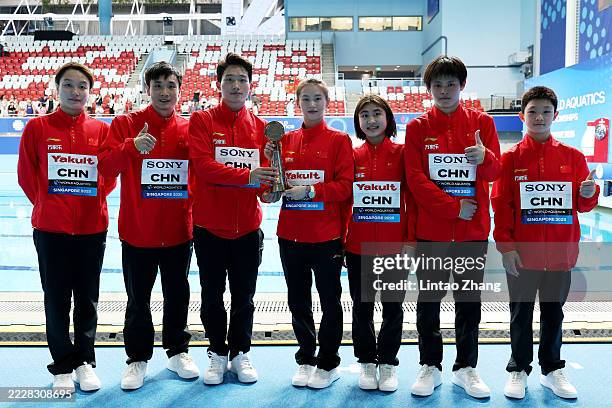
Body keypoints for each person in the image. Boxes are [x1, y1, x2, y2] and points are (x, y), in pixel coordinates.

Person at [492, 86, 599, 400]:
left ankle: (551, 369)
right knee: (520, 313)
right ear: (521, 116)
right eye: (532, 112)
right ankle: (518, 369)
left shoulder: (573, 158)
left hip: (560, 255)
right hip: (523, 256)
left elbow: (581, 206)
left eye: (545, 112)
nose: (539, 117)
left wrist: (588, 194)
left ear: (555, 115)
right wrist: (507, 248)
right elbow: (501, 205)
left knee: (554, 314)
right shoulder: (510, 159)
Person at [404, 55, 501, 398]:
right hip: (432, 232)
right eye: (437, 85)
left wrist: (484, 158)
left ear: (462, 86)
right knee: (429, 300)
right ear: (428, 89)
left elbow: (495, 174)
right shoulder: (417, 127)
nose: (444, 91)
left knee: (468, 302)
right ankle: (430, 365)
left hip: (472, 233)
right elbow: (415, 179)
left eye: (451, 84)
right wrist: (452, 208)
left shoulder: (483, 123)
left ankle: (466, 367)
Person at [98, 62, 198, 390]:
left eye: (171, 86)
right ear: (147, 90)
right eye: (158, 86)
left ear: (180, 91)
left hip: (178, 232)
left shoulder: (190, 128)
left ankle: (177, 350)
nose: (165, 93)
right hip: (138, 232)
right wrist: (131, 146)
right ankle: (137, 358)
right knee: (137, 299)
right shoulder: (127, 123)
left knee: (177, 294)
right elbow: (105, 168)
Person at [17, 62, 116, 392]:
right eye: (69, 85)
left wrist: (92, 200)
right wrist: (48, 205)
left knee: (87, 299)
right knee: (56, 298)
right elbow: (26, 175)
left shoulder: (101, 131)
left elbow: (110, 176)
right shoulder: (37, 128)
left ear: (90, 92)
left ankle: (85, 360)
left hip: (92, 228)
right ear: (56, 89)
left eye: (82, 86)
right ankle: (62, 364)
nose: (76, 92)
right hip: (52, 230)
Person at [189, 52, 276, 385]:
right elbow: (204, 168)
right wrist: (249, 177)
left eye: (242, 80)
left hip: (248, 230)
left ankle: (240, 352)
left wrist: (268, 189)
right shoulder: (203, 121)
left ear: (251, 87)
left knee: (244, 297)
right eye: (230, 80)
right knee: (211, 295)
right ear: (218, 85)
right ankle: (216, 352)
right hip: (210, 228)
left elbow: (264, 184)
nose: (236, 85)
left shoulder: (261, 129)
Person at [264, 78, 353, 389]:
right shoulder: (283, 142)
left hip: (326, 237)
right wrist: (269, 189)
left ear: (327, 103)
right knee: (298, 301)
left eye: (318, 99)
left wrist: (312, 191)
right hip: (290, 236)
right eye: (306, 99)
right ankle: (305, 357)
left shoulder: (340, 141)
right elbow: (271, 186)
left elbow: (345, 188)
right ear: (297, 103)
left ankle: (329, 362)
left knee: (330, 301)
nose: (312, 104)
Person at [344, 95, 416, 392]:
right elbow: (342, 201)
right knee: (361, 308)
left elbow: (412, 202)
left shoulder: (402, 154)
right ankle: (367, 362)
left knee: (392, 308)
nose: (371, 120)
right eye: (364, 116)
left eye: (377, 114)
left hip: (394, 248)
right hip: (358, 247)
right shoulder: (351, 156)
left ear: (388, 118)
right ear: (358, 123)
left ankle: (387, 363)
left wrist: (410, 242)